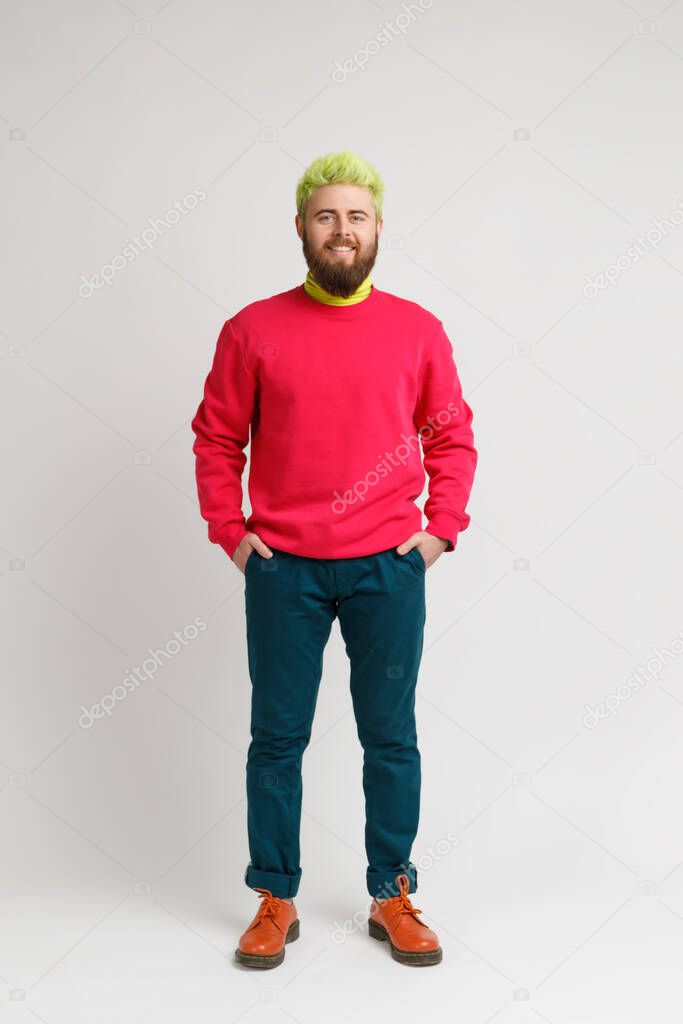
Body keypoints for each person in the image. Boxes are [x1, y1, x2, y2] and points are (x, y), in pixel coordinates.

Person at [191, 149, 478, 969]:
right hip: (283, 571)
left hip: (387, 569)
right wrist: (234, 536)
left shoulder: (416, 330)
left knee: (390, 738)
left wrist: (436, 533)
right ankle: (275, 898)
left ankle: (391, 894)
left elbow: (451, 435)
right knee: (275, 740)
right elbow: (217, 437)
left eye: (356, 216)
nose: (341, 230)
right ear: (300, 229)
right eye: (326, 216)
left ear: (378, 229)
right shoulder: (252, 329)